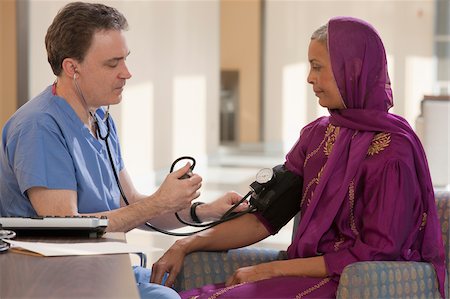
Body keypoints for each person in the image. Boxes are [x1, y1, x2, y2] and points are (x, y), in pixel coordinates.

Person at [150, 16, 446, 299]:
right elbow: (263, 219)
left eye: (318, 67)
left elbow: (376, 253)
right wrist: (185, 244)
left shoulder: (393, 150)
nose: (309, 78)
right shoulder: (316, 137)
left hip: (351, 285)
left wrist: (272, 270)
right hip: (301, 276)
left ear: (352, 70)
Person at [0, 2, 247, 299]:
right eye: (112, 63)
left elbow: (132, 205)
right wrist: (158, 202)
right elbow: (65, 229)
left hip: (101, 268)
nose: (127, 73)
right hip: (53, 281)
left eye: (125, 60)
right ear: (72, 68)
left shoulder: (100, 118)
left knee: (209, 283)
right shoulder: (39, 128)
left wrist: (207, 211)